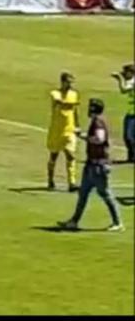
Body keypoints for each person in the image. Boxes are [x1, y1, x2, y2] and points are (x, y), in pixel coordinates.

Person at [57, 99, 125, 232]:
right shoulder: (98, 120)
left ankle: (118, 223)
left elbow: (99, 139)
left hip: (98, 166)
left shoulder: (98, 122)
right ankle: (74, 221)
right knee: (83, 194)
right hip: (91, 165)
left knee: (106, 194)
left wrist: (84, 137)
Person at [46, 72, 80, 192]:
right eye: (68, 82)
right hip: (56, 130)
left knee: (71, 155)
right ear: (62, 81)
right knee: (53, 156)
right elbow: (59, 103)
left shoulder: (74, 94)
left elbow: (75, 111)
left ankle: (72, 182)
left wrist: (77, 125)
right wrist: (72, 104)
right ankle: (50, 180)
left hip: (69, 130)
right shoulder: (55, 93)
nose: (70, 85)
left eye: (71, 82)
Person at [111, 64, 135, 162]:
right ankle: (131, 157)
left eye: (126, 72)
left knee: (129, 137)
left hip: (133, 115)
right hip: (130, 113)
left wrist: (119, 79)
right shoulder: (131, 80)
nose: (124, 74)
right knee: (128, 137)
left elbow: (123, 89)